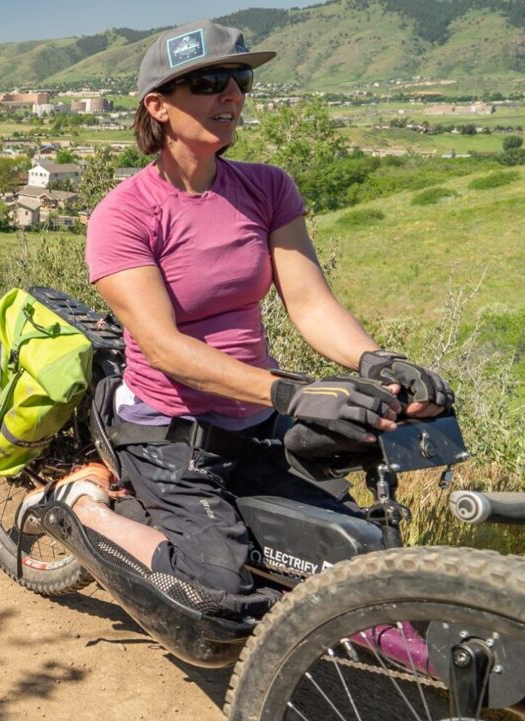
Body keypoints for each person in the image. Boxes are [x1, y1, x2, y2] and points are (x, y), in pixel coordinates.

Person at [32, 20, 454, 600]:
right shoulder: (125, 214)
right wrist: (289, 392)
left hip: (254, 415)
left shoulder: (267, 187)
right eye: (208, 81)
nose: (230, 94)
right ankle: (83, 504)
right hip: (168, 428)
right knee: (216, 592)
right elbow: (162, 346)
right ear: (157, 105)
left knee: (355, 529)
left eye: (240, 79)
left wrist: (377, 362)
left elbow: (310, 302)